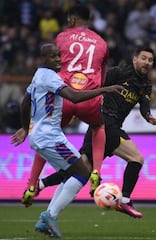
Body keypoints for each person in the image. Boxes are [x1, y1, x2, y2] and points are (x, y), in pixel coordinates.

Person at [30, 46, 156, 219]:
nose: (147, 63)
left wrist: (148, 116)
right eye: (143, 58)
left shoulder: (145, 85)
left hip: (101, 127)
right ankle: (126, 199)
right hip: (105, 122)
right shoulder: (118, 73)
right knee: (136, 158)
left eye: (150, 60)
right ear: (134, 59)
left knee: (81, 168)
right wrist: (81, 109)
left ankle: (42, 184)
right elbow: (95, 86)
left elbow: (144, 103)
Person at [11, 43, 123, 238]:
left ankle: (45, 218)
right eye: (53, 56)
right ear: (43, 59)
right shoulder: (50, 77)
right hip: (50, 137)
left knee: (69, 173)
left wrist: (24, 127)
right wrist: (104, 90)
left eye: (58, 56)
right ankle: (50, 216)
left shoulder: (38, 75)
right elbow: (74, 97)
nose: (58, 59)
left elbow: (25, 102)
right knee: (83, 173)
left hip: (42, 136)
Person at [22, 4, 109, 206]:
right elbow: (103, 73)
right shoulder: (102, 42)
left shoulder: (61, 38)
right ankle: (96, 171)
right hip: (89, 97)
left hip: (65, 96)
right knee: (98, 126)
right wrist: (101, 92)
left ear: (71, 19)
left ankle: (32, 184)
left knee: (48, 133)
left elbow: (51, 67)